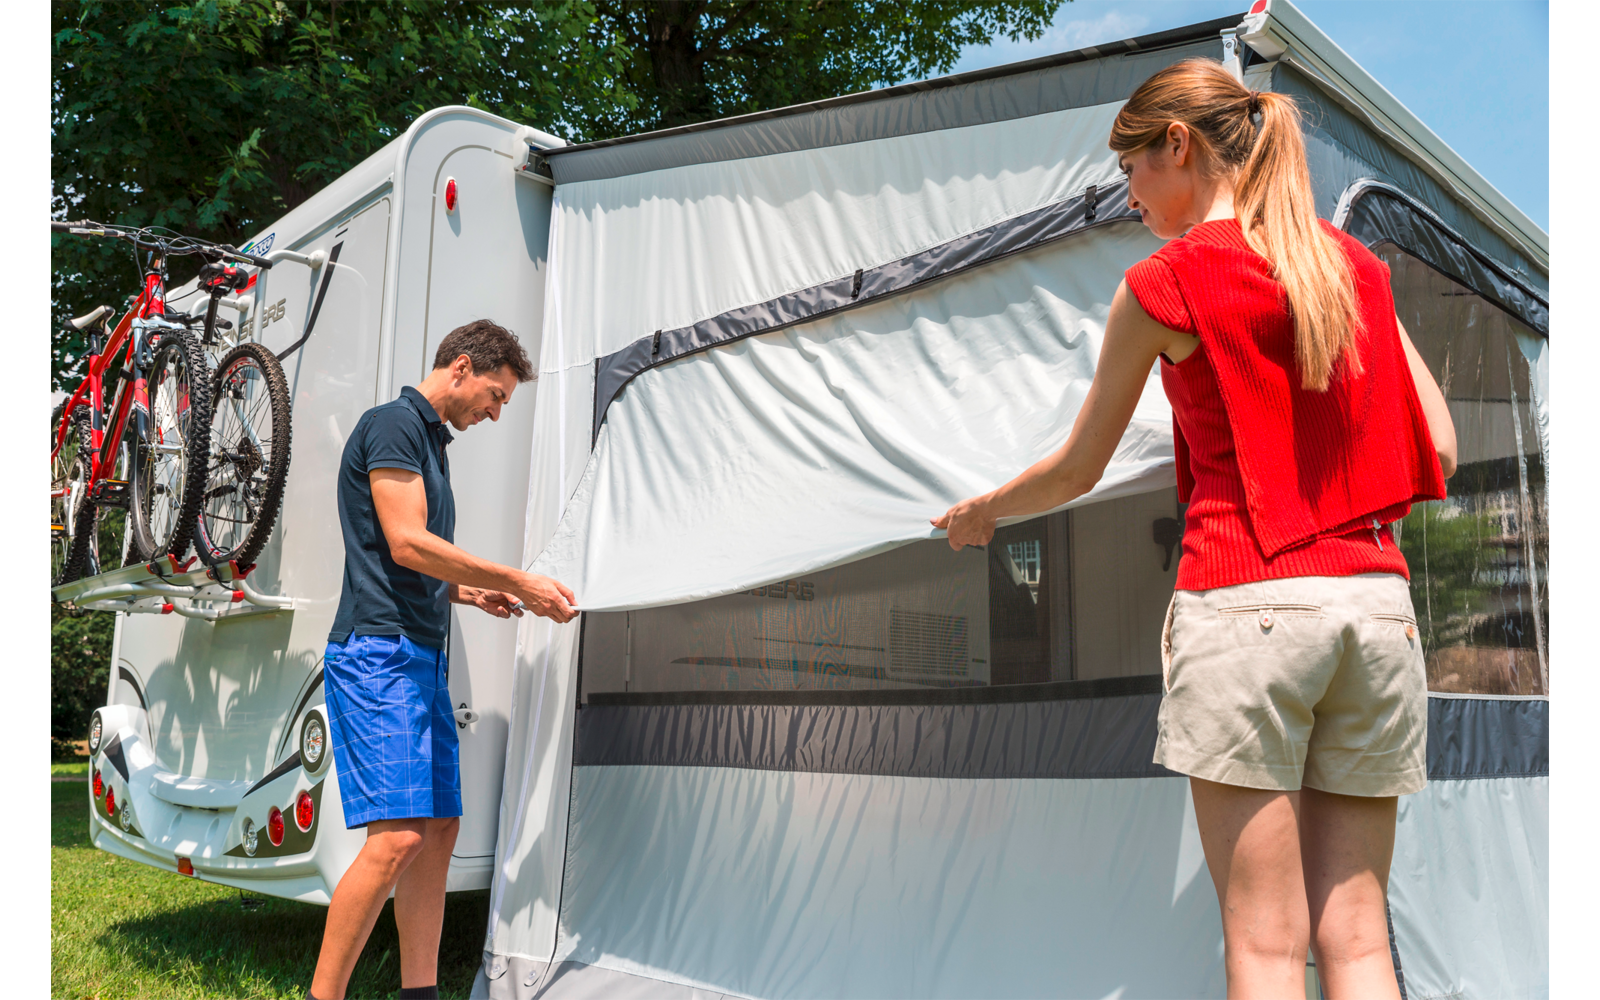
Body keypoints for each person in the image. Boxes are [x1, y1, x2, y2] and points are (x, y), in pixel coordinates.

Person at [933, 60, 1456, 1000]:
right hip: (1378, 614)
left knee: (1264, 946)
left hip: (1247, 604)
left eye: (1130, 169)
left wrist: (984, 514)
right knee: (1359, 940)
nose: (1127, 195)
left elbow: (1081, 465)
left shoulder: (1166, 283)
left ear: (1178, 145)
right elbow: (1443, 447)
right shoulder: (1356, 270)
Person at [309, 319, 577, 1000]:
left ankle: (421, 996)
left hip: (418, 654)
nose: (496, 411)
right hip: (377, 654)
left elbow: (398, 555)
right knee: (398, 838)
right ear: (461, 367)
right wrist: (519, 580)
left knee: (438, 830)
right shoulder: (394, 425)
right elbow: (405, 543)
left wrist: (469, 590)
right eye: (496, 394)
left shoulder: (431, 442)